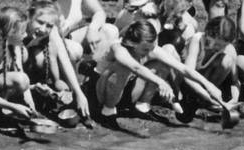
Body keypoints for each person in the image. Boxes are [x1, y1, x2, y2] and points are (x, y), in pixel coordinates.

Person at [94, 20, 236, 126]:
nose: (149, 52)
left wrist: (208, 85)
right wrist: (160, 82)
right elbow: (136, 68)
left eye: (151, 48)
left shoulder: (151, 48)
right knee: (122, 68)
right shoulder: (118, 48)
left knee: (162, 62)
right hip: (100, 93)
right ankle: (107, 112)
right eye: (145, 50)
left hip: (126, 91)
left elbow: (184, 69)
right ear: (132, 44)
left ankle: (142, 107)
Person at [22, 0, 91, 122]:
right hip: (19, 73)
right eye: (40, 22)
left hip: (41, 73)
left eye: (49, 25)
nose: (43, 29)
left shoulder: (51, 32)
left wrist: (78, 92)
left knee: (56, 51)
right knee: (37, 57)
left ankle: (66, 97)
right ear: (29, 17)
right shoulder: (18, 31)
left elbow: (64, 59)